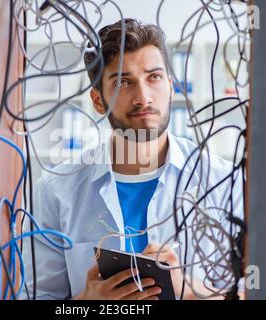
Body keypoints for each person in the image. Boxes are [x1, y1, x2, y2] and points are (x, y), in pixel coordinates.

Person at [22, 18, 243, 300]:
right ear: (98, 100)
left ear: (171, 85)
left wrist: (187, 289)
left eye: (154, 77)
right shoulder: (56, 190)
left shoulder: (224, 181)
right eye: (123, 82)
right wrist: (88, 303)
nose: (143, 97)